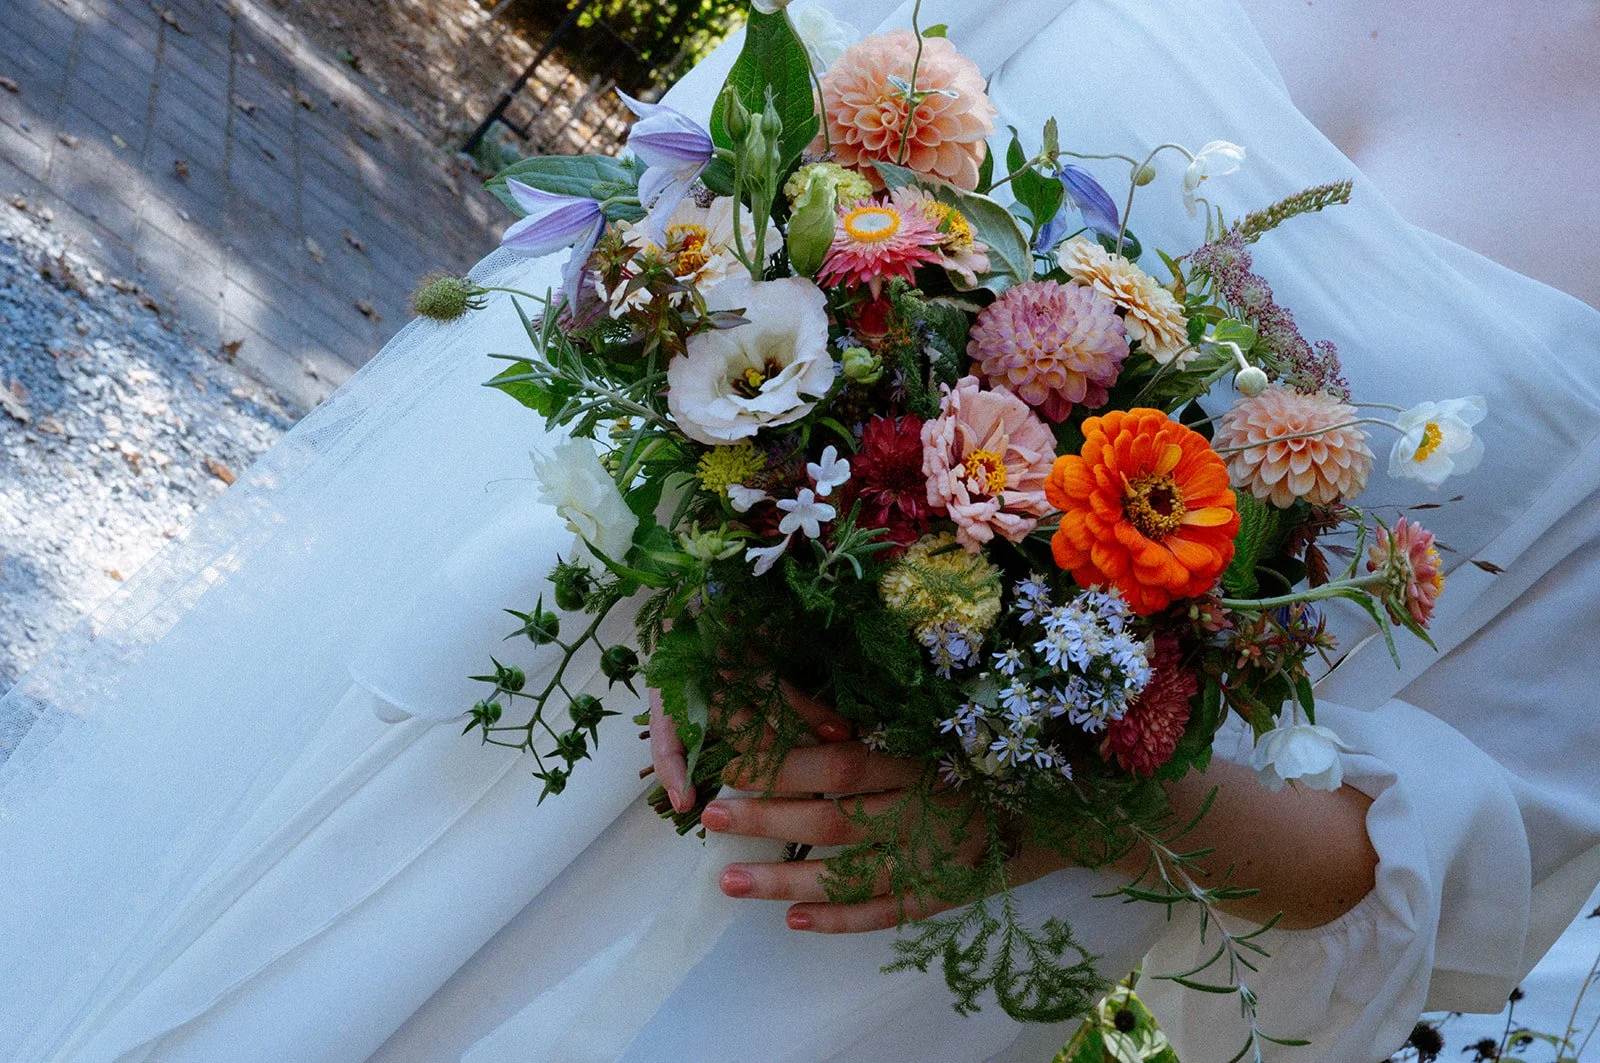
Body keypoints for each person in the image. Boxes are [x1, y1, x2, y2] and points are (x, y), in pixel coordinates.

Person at [0, 2, 1595, 1062]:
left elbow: (1463, 851)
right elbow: (744, 149)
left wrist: (1077, 783)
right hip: (597, 654)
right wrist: (721, 496)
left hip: (865, 926)